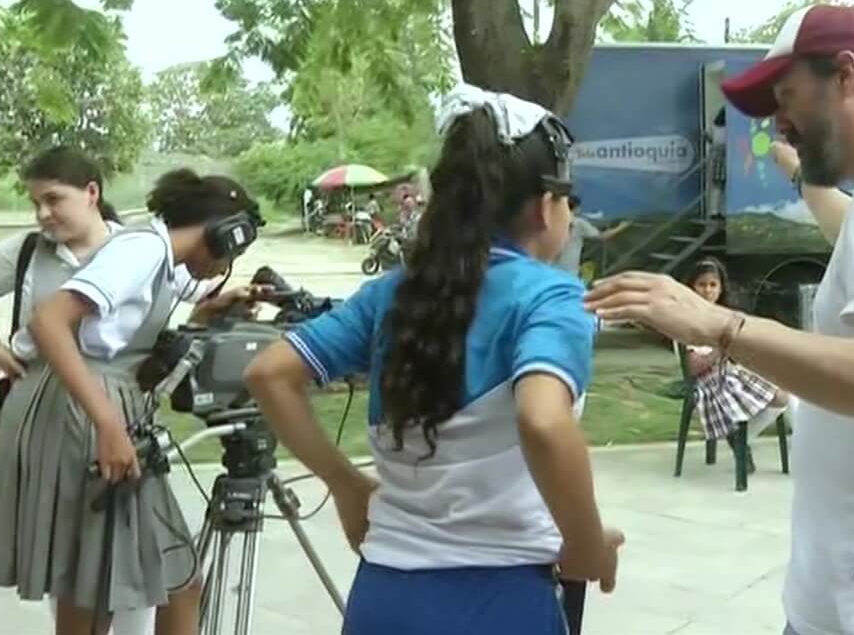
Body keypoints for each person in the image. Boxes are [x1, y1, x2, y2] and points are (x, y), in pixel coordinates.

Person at [586, 4, 854, 634]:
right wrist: (805, 178)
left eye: (787, 97)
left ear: (845, 75)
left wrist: (718, 326)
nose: (779, 122)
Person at [243, 84, 622, 635]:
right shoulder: (552, 297)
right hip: (501, 601)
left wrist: (346, 485)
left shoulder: (392, 293)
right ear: (546, 207)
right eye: (571, 199)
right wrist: (587, 547)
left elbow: (270, 373)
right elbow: (542, 419)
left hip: (383, 597)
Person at [0, 168, 265, 635]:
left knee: (122, 584)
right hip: (83, 414)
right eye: (233, 250)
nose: (224, 266)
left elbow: (114, 339)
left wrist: (203, 314)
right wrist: (109, 427)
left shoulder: (152, 253)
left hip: (91, 405)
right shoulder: (143, 250)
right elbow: (49, 322)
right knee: (107, 586)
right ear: (221, 232)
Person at [0, 146, 164, 635]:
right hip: (43, 413)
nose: (43, 214)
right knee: (63, 553)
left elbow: (187, 291)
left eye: (54, 199)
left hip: (121, 407)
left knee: (133, 551)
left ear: (92, 192)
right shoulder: (29, 250)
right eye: (36, 203)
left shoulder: (138, 247)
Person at [683, 257, 788, 470]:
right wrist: (722, 347)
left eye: (713, 285)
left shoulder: (724, 314)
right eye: (702, 285)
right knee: (740, 389)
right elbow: (694, 367)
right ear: (692, 287)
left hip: (732, 371)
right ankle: (739, 439)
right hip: (708, 382)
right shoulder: (686, 318)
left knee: (784, 395)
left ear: (721, 288)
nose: (708, 291)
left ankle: (742, 438)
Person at [555, 196, 630, 278]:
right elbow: (603, 236)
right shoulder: (579, 223)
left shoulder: (553, 221)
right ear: (576, 208)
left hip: (550, 268)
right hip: (568, 271)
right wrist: (621, 227)